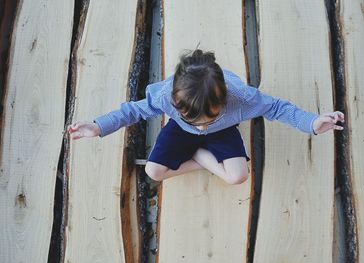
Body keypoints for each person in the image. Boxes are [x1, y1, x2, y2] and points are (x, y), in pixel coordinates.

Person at [67, 49, 345, 185]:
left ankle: (200, 156)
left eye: (207, 118)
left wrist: (311, 122)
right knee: (153, 172)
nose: (202, 124)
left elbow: (277, 108)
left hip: (223, 131)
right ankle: (201, 155)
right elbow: (134, 110)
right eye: (196, 119)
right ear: (176, 102)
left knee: (237, 177)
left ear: (223, 100)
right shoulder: (166, 96)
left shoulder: (242, 98)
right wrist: (98, 126)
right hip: (179, 130)